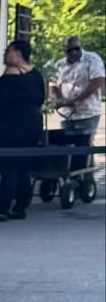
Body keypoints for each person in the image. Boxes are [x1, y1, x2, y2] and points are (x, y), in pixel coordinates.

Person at [0, 40, 46, 219]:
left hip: (8, 128)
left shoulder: (9, 77)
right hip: (32, 126)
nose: (4, 55)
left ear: (18, 53)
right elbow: (40, 98)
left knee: (8, 168)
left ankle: (3, 209)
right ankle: (20, 207)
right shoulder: (36, 75)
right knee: (23, 167)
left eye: (8, 51)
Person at [49, 35, 104, 202]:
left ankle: (81, 178)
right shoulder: (60, 64)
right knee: (67, 144)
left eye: (76, 49)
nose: (74, 53)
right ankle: (68, 175)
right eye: (70, 50)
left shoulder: (91, 59)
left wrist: (77, 99)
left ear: (80, 47)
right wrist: (56, 98)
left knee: (83, 143)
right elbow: (53, 84)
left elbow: (97, 81)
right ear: (65, 51)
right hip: (68, 113)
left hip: (88, 111)